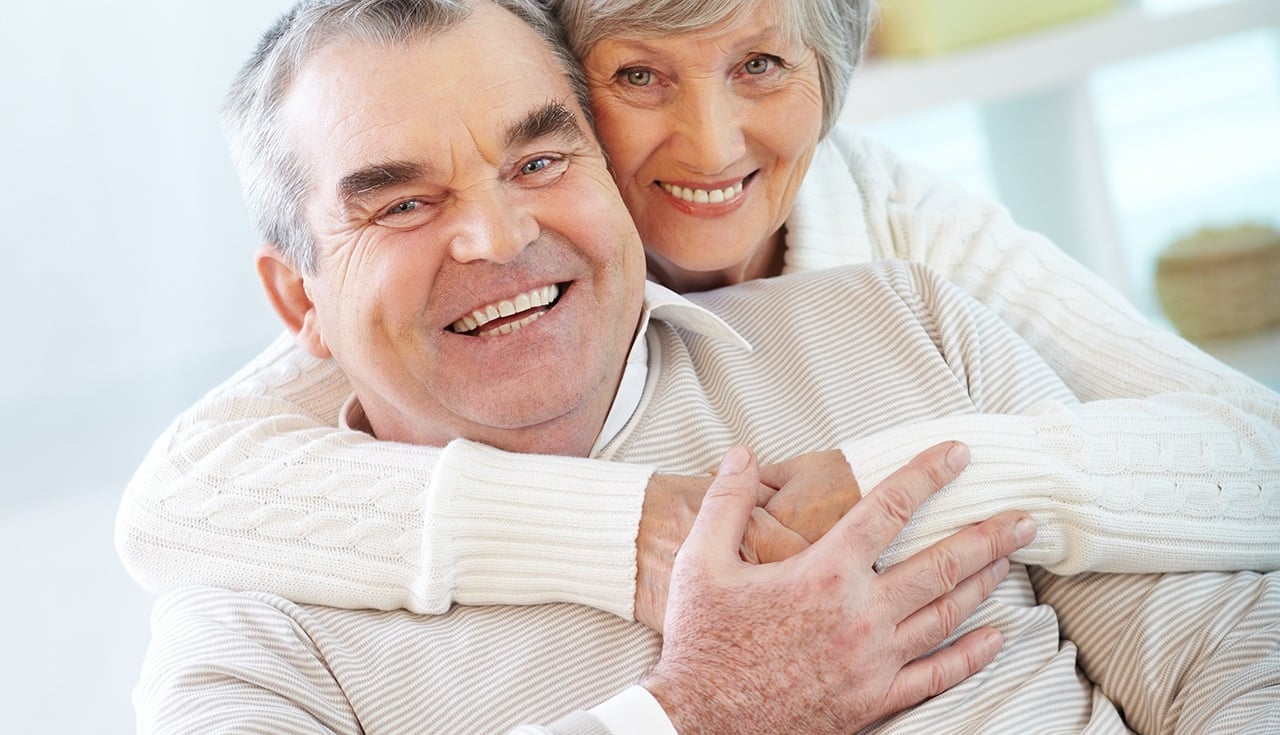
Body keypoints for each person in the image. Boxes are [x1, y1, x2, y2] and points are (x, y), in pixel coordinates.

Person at [133, 1, 1280, 732]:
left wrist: (943, 467)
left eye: (537, 157)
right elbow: (174, 495)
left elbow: (1225, 645)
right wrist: (690, 714)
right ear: (297, 300)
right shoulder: (254, 612)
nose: (492, 238)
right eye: (400, 202)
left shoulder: (911, 309)